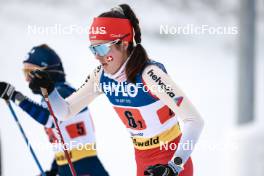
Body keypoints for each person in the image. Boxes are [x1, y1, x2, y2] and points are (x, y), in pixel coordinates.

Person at [28, 4, 204, 176]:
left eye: (102, 48)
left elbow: (194, 120)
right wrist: (50, 91)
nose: (97, 56)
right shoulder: (101, 77)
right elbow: (65, 112)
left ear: (124, 44)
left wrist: (174, 166)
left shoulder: (150, 75)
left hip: (171, 162)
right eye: (93, 49)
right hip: (143, 161)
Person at [0, 44, 109, 176]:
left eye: (31, 72)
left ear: (47, 71)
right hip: (71, 167)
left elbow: (50, 119)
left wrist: (15, 96)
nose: (27, 79)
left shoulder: (63, 93)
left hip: (84, 168)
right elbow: (65, 142)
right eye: (25, 72)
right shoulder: (53, 96)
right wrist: (55, 169)